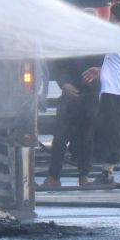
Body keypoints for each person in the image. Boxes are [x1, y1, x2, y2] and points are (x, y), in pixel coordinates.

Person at [86, 2, 120, 189]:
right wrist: (100, 70)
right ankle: (107, 172)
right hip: (112, 93)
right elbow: (119, 63)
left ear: (114, 17)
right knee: (109, 135)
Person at [41, 52, 101, 189]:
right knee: (60, 139)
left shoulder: (98, 44)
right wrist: (64, 84)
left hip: (90, 97)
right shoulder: (68, 44)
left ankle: (84, 176)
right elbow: (56, 65)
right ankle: (53, 177)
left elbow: (109, 64)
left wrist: (99, 70)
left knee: (87, 139)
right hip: (68, 99)